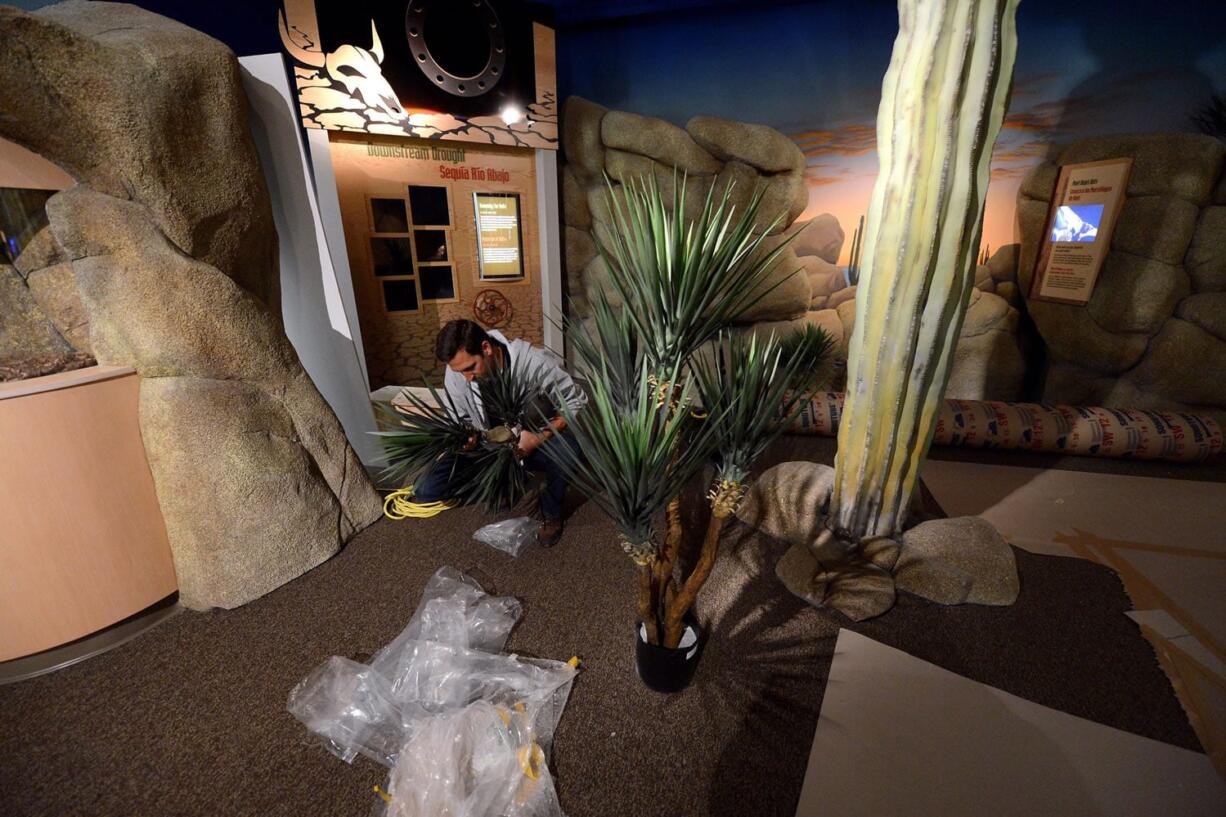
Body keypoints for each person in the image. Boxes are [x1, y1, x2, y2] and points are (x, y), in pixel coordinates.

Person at [413, 319, 587, 546]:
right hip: (487, 446)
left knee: (568, 452)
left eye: (470, 368)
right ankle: (505, 481)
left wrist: (537, 438)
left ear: (486, 348)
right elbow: (458, 419)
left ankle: (551, 511)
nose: (466, 377)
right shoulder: (457, 370)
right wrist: (465, 439)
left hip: (531, 441)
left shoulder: (535, 364)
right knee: (427, 490)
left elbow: (576, 403)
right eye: (459, 371)